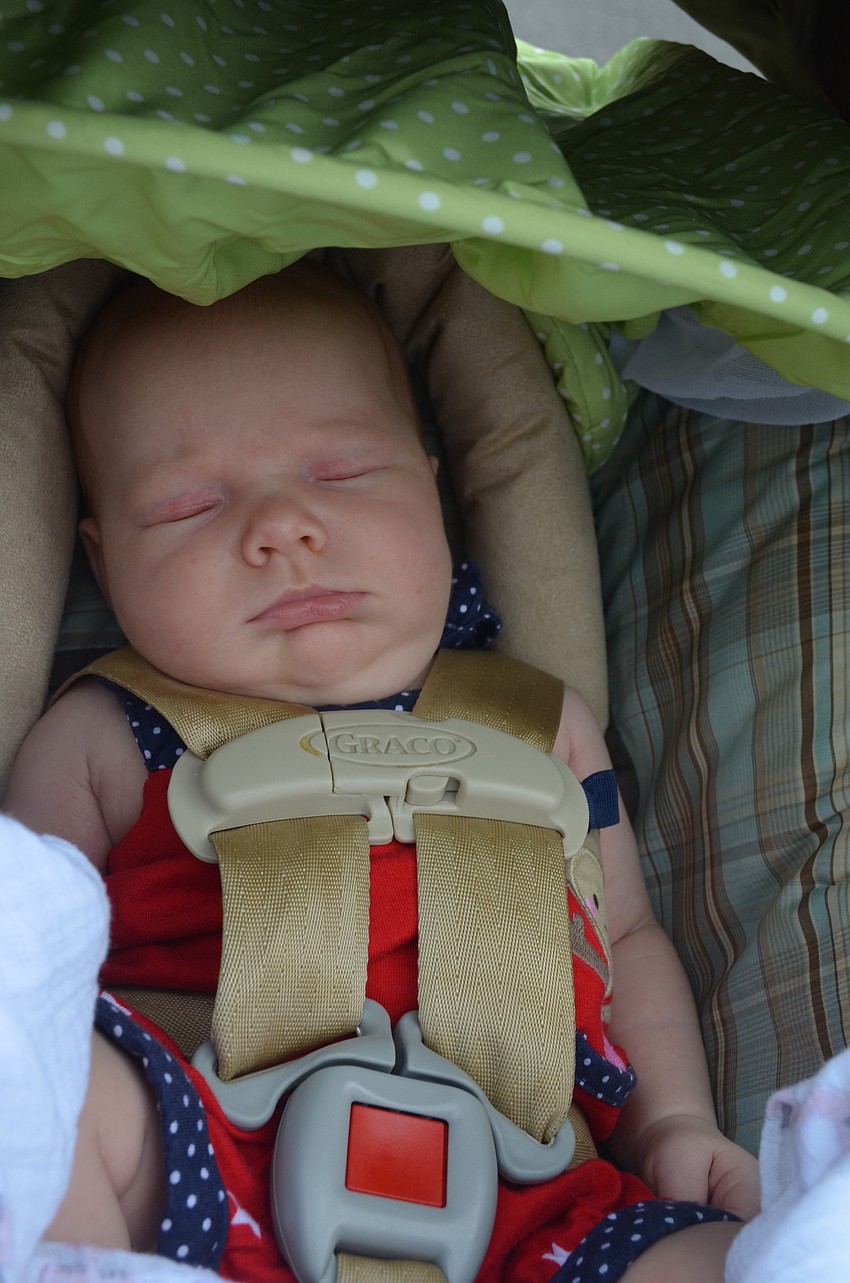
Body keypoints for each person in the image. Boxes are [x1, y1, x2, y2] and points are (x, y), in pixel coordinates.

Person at [6, 260, 758, 1283]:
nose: (282, 527)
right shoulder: (99, 735)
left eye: (343, 472)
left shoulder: (542, 726)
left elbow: (624, 933)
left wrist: (674, 1121)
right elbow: (26, 969)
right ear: (103, 561)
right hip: (199, 1152)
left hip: (531, 1185)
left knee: (729, 1259)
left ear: (433, 490)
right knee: (37, 1084)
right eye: (190, 505)